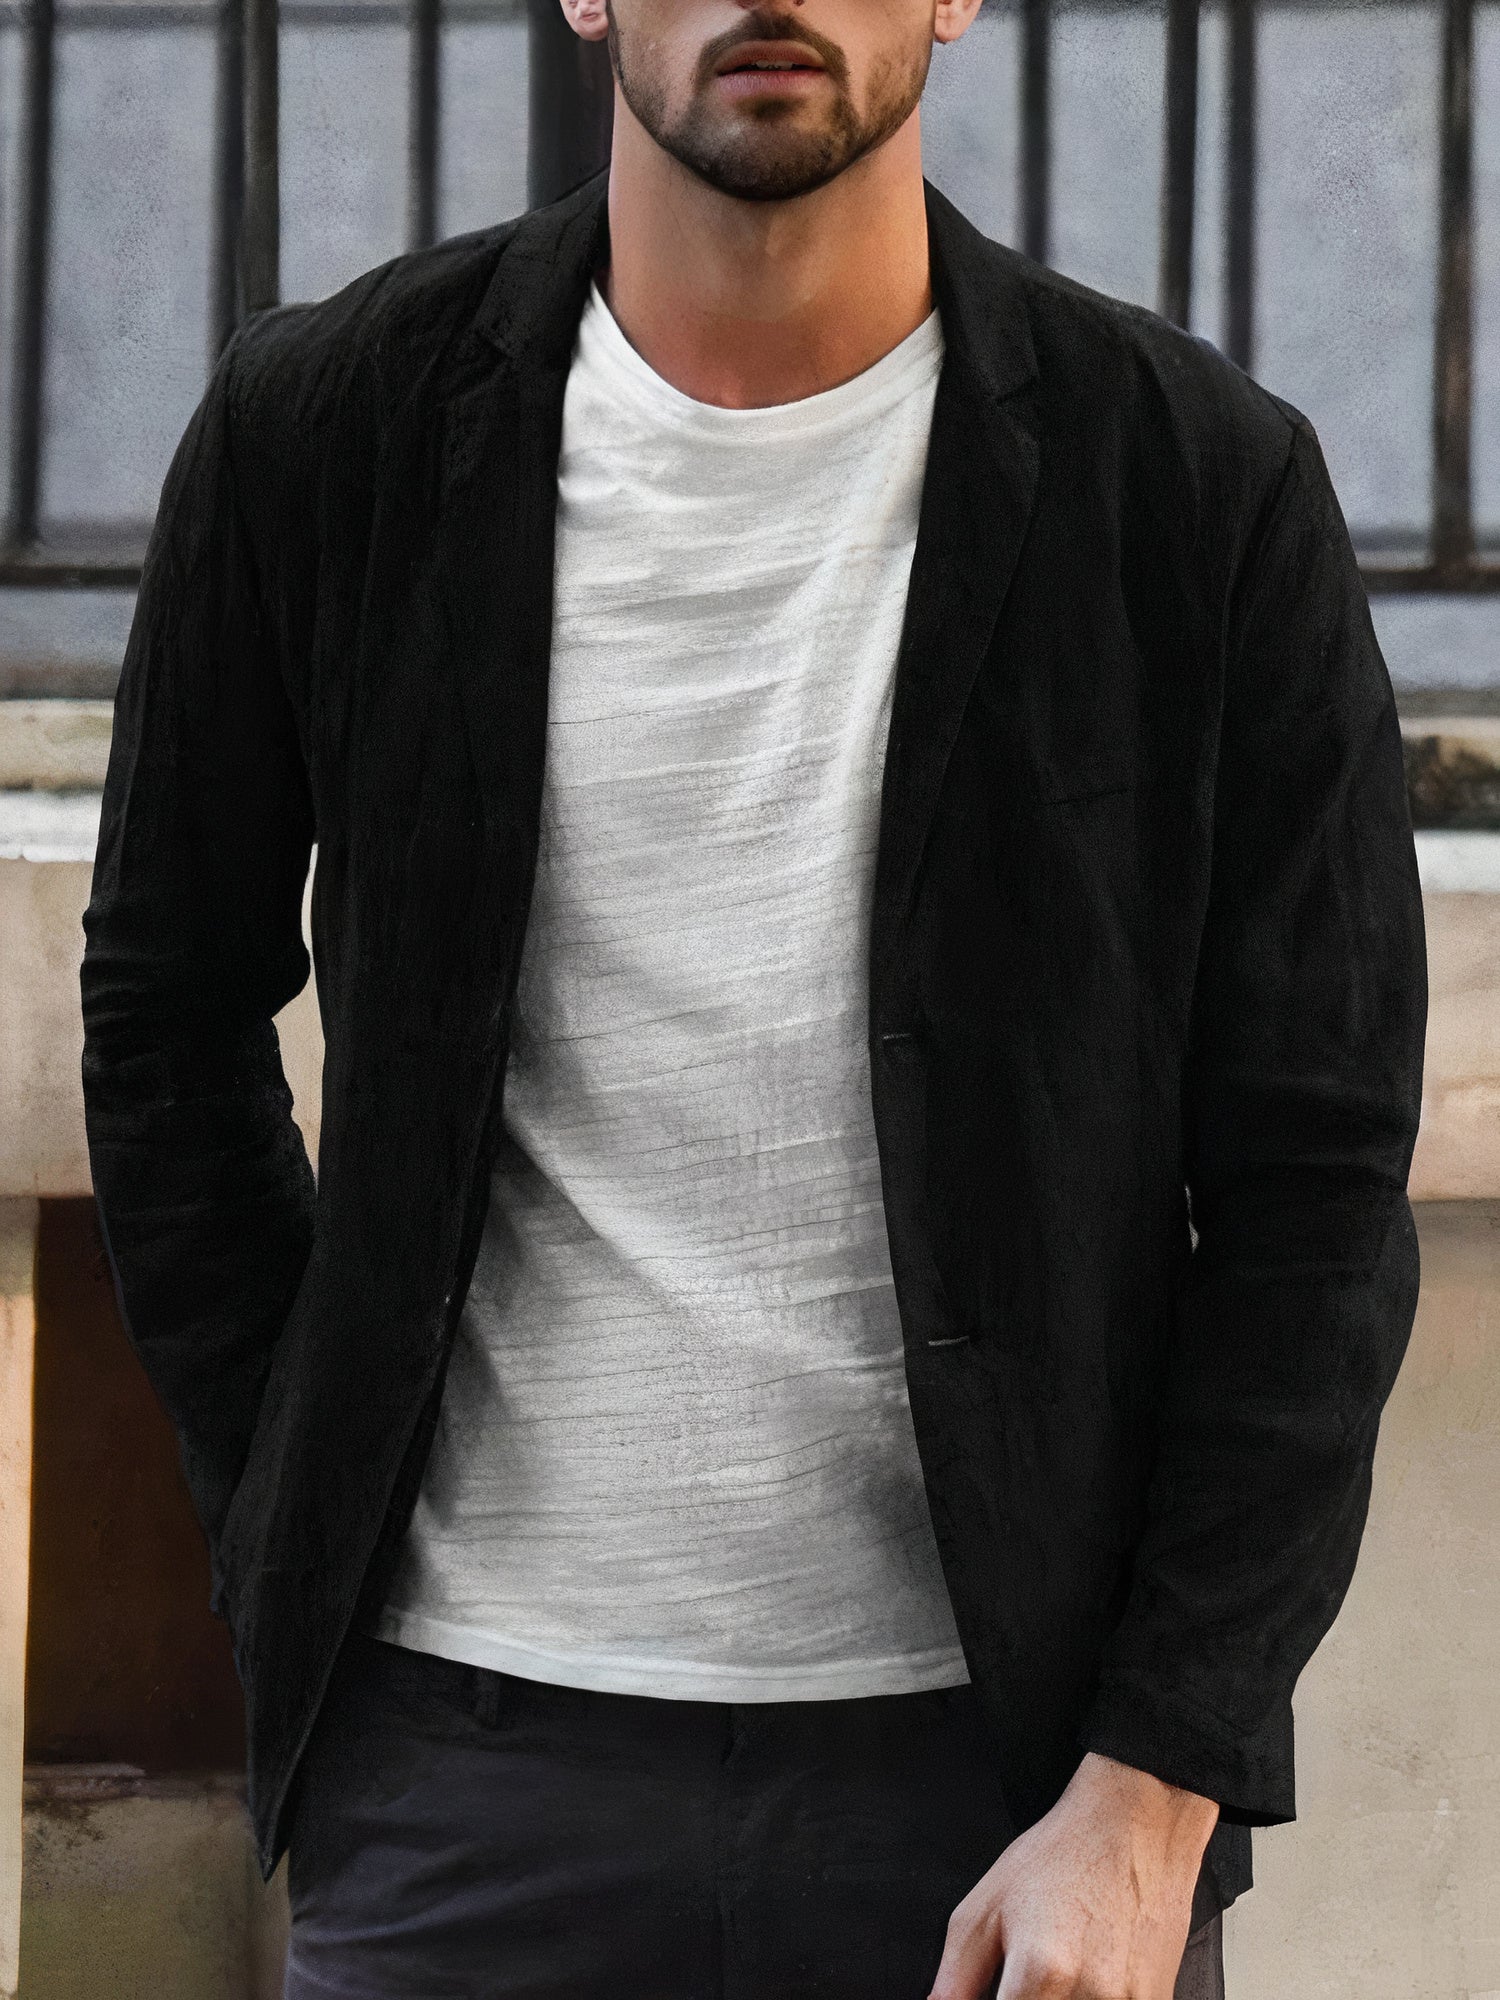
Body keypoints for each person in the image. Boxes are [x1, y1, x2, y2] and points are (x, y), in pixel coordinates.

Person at [78, 0, 1428, 1993]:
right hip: (459, 1777)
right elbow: (165, 1016)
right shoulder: (326, 434)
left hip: (1014, 1800)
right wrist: (298, 1490)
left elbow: (1315, 1193)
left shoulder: (1193, 485)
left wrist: (1153, 1791)